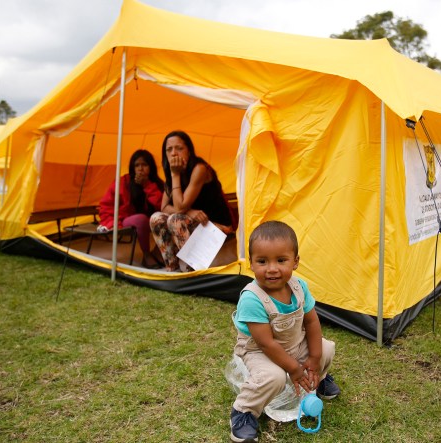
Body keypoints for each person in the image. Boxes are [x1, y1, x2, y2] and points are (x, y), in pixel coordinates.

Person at [229, 221, 340, 443]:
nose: (271, 268)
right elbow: (266, 344)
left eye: (281, 260)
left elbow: (311, 322)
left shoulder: (299, 287)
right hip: (258, 351)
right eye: (262, 261)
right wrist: (293, 369)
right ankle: (243, 412)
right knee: (275, 377)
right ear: (251, 263)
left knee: (326, 348)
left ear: (295, 262)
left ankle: (319, 378)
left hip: (294, 344)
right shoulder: (252, 298)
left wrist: (314, 358)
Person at [150, 130, 235, 272]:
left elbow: (180, 207)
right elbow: (164, 206)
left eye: (179, 148)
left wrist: (175, 174)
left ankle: (192, 270)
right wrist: (190, 212)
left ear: (189, 151)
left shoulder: (199, 169)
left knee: (175, 220)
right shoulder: (171, 172)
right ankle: (173, 268)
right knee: (156, 218)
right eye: (169, 150)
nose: (174, 153)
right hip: (195, 222)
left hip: (217, 225)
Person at [97, 148, 164, 268]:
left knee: (164, 217)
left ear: (151, 167)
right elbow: (106, 204)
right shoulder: (123, 182)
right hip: (128, 219)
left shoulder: (158, 183)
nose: (140, 168)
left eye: (144, 165)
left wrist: (147, 185)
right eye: (137, 165)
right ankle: (146, 255)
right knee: (141, 219)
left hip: (153, 220)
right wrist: (112, 222)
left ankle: (158, 252)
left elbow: (162, 206)